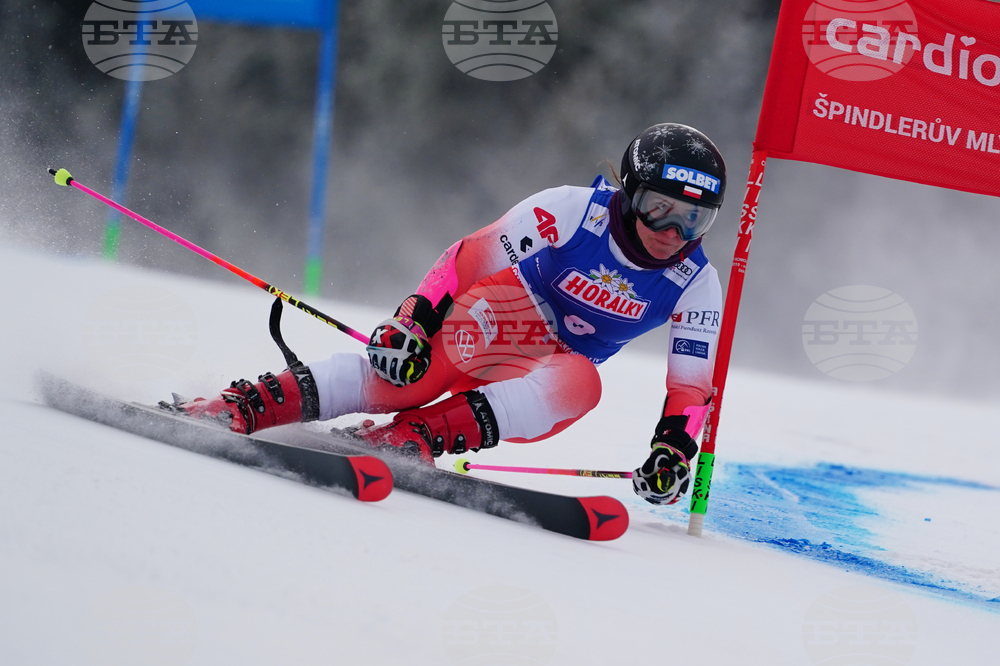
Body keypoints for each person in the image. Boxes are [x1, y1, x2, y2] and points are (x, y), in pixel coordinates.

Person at [174, 123, 725, 506]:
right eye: (660, 209)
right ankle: (243, 404)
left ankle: (412, 439)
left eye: (694, 221)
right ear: (631, 194)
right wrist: (413, 320)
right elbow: (467, 258)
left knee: (582, 383)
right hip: (502, 313)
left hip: (548, 368)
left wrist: (674, 450)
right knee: (406, 382)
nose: (673, 234)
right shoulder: (570, 211)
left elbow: (691, 392)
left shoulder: (695, 283)